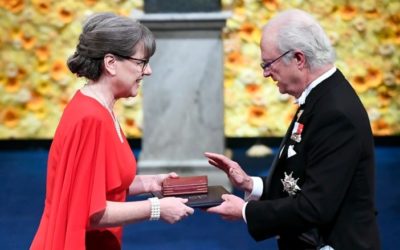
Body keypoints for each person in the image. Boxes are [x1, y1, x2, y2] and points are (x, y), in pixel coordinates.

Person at [205, 9, 380, 250]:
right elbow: (302, 180)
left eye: (268, 64)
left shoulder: (335, 112)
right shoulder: (322, 96)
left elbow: (315, 206)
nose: (266, 73)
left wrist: (246, 211)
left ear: (298, 59)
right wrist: (250, 184)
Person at [30, 13, 194, 250]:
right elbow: (89, 212)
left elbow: (99, 185)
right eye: (141, 63)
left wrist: (150, 184)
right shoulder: (91, 118)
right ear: (110, 63)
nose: (148, 71)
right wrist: (157, 208)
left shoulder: (101, 108)